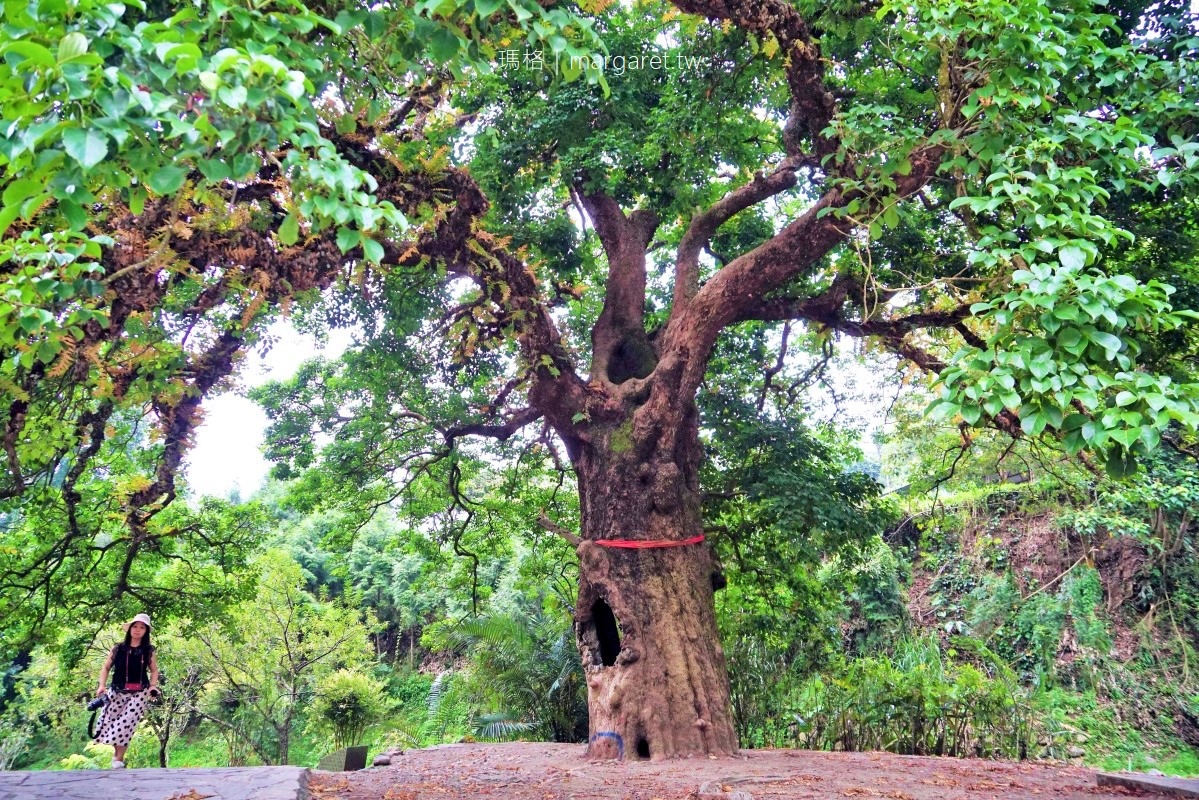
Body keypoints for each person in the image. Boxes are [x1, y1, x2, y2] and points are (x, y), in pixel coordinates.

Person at [93, 613, 160, 768]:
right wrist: (101, 685)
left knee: (126, 723)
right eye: (135, 626)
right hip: (116, 691)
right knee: (110, 722)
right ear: (130, 628)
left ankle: (118, 759)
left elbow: (154, 671)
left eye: (142, 627)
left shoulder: (148, 651)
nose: (137, 630)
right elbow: (106, 667)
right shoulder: (117, 649)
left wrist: (152, 686)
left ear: (146, 631)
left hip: (139, 693)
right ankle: (117, 757)